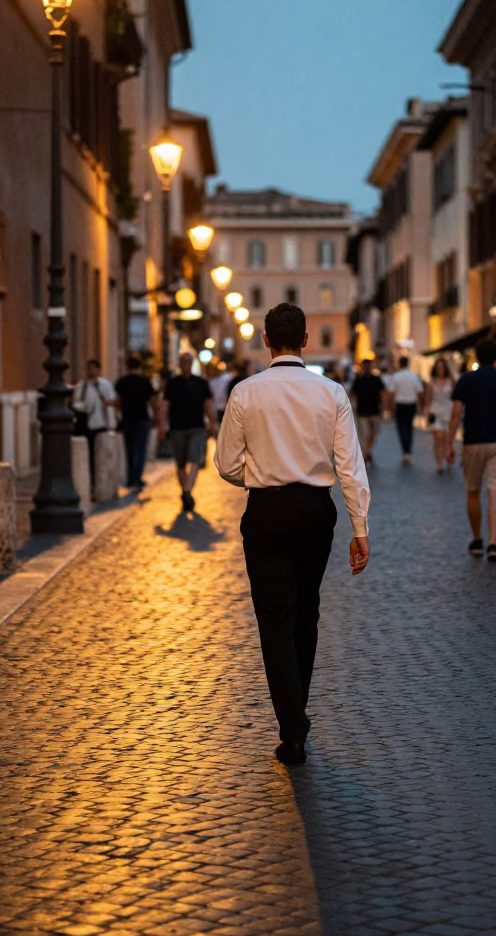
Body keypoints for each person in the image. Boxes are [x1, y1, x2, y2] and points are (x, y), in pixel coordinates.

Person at [215, 302, 370, 767]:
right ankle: (296, 715)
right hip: (315, 512)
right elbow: (350, 467)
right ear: (306, 341)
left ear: (265, 340)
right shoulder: (332, 393)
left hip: (266, 512)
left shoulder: (245, 392)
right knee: (307, 611)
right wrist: (359, 528)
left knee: (274, 619)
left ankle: (292, 727)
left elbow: (226, 464)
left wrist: (260, 475)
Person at [446, 338, 496, 562]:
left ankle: (477, 538)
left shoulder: (466, 381)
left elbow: (455, 414)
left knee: (472, 491)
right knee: (495, 491)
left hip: (473, 441)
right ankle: (493, 542)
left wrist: (449, 443)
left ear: (476, 356)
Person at [158, 352, 218, 512]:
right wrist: (161, 426)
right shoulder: (172, 383)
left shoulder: (201, 383)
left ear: (192, 363)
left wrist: (213, 423)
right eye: (183, 361)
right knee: (180, 464)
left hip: (196, 428)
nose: (185, 364)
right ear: (179, 363)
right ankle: (186, 491)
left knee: (195, 460)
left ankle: (187, 491)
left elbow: (208, 405)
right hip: (177, 428)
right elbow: (164, 405)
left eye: (188, 361)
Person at [72, 358, 117, 496]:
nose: (91, 371)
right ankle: (90, 485)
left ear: (98, 370)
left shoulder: (105, 385)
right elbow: (76, 403)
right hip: (86, 425)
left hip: (101, 424)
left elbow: (112, 401)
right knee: (89, 455)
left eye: (93, 368)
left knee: (102, 457)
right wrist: (85, 408)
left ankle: (102, 485)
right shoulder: (82, 386)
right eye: (89, 368)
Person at [115, 356, 157, 491]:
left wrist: (118, 416)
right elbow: (153, 401)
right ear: (139, 367)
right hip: (142, 419)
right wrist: (156, 417)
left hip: (127, 419)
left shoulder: (122, 382)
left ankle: (130, 479)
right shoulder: (145, 382)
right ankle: (137, 479)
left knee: (129, 450)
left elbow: (117, 402)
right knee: (140, 450)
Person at [384, 356, 425, 464]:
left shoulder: (396, 377)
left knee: (401, 428)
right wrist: (419, 405)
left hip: (400, 405)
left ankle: (405, 451)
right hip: (411, 404)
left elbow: (391, 394)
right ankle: (408, 451)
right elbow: (420, 392)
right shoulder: (414, 376)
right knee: (409, 427)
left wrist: (391, 408)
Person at [349, 358, 386, 464]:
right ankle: (366, 453)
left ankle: (368, 450)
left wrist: (383, 409)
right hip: (362, 412)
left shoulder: (376, 379)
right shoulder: (358, 379)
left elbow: (382, 393)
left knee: (374, 433)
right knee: (363, 434)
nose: (366, 368)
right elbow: (353, 393)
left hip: (375, 411)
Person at [426, 357, 455, 474]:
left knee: (447, 438)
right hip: (435, 411)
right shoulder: (431, 382)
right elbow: (428, 399)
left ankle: (447, 454)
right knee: (438, 438)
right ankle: (439, 463)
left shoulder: (450, 381)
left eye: (442, 367)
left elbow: (455, 396)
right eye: (438, 367)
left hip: (448, 412)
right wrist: (426, 413)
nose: (440, 370)